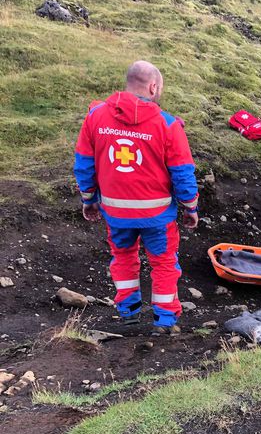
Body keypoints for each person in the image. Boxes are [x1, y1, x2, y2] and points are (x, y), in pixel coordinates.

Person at [73, 60, 199, 336]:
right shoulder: (168, 125)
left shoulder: (95, 117)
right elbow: (182, 173)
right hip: (157, 217)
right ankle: (164, 322)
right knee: (164, 263)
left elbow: (84, 163)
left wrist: (89, 199)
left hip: (116, 214)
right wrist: (191, 207)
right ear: (153, 86)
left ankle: (128, 313)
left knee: (123, 257)